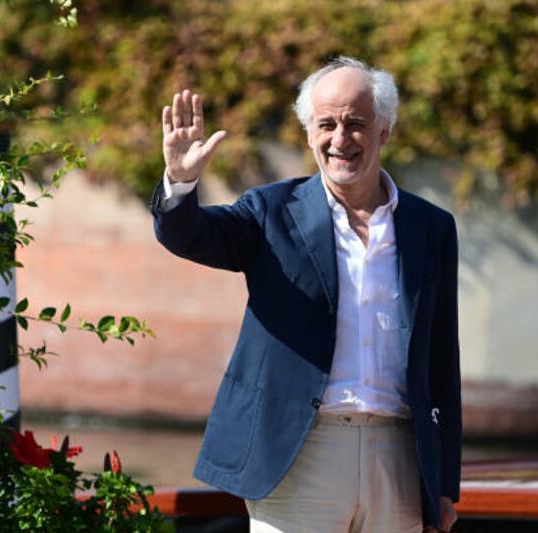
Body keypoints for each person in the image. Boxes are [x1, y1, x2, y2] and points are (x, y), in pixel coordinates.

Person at [151, 56, 461, 532]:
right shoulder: (270, 211)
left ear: (385, 131)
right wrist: (181, 183)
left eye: (356, 123)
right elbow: (189, 236)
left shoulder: (431, 227)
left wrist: (445, 483)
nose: (340, 139)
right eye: (326, 124)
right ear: (309, 133)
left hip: (399, 458)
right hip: (302, 453)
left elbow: (442, 359)